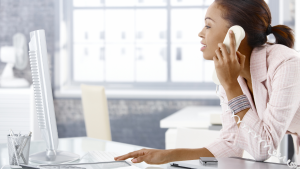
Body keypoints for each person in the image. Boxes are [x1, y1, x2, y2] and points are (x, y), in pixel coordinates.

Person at [115, 0, 300, 164]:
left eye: (208, 26)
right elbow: (230, 144)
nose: (200, 33)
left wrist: (231, 86)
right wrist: (167, 155)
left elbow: (263, 149)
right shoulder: (229, 75)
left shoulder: (286, 64)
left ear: (236, 34)